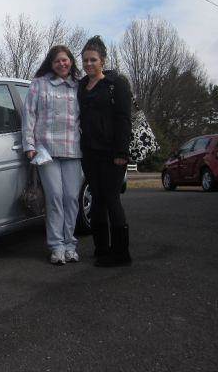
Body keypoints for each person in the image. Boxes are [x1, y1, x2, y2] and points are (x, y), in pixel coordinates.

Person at [22, 45, 84, 265]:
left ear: (71, 61)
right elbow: (29, 115)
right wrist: (29, 144)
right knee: (55, 197)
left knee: (71, 199)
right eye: (57, 61)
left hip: (73, 149)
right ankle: (56, 246)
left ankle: (70, 245)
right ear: (51, 63)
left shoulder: (78, 86)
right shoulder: (39, 84)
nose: (62, 64)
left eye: (65, 60)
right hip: (46, 150)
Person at [77, 36, 132, 267]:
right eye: (85, 60)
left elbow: (124, 119)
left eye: (93, 60)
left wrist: (121, 152)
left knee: (111, 199)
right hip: (89, 153)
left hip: (112, 153)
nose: (89, 64)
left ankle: (121, 254)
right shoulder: (81, 85)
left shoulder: (116, 84)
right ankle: (101, 250)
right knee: (97, 199)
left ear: (103, 60)